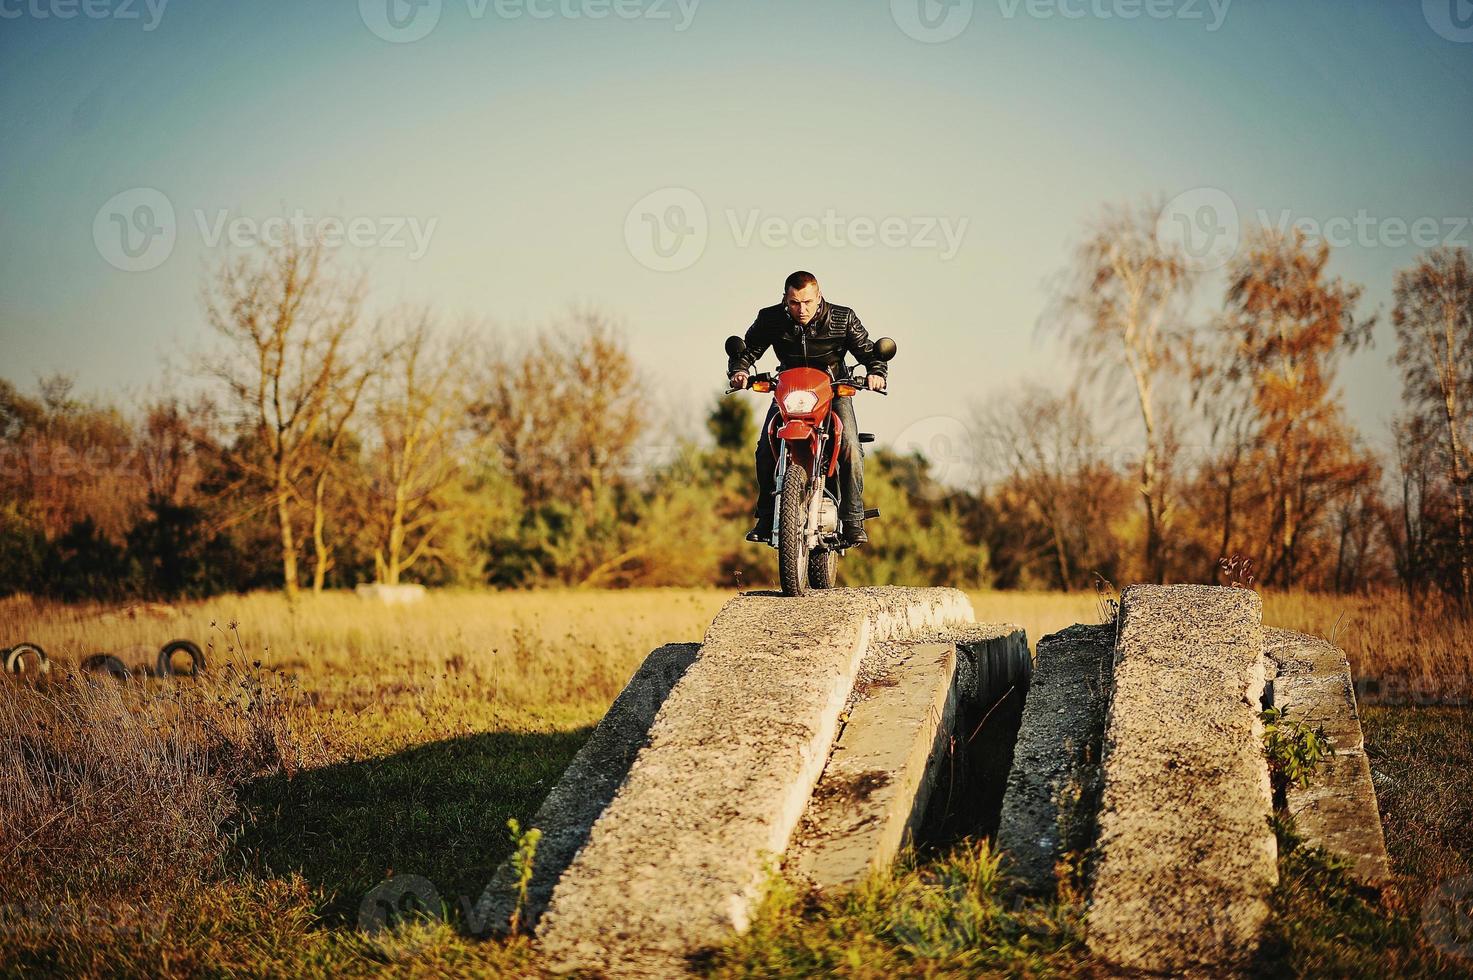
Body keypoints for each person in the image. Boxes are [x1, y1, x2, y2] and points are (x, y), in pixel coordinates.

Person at [727, 271, 888, 547]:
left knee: (849, 444)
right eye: (794, 303)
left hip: (834, 388)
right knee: (766, 448)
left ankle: (852, 520)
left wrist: (876, 371)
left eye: (808, 302)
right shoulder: (770, 318)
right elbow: (747, 351)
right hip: (789, 390)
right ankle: (766, 518)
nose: (801, 310)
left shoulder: (842, 318)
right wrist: (740, 370)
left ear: (819, 297)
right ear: (785, 300)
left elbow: (869, 351)